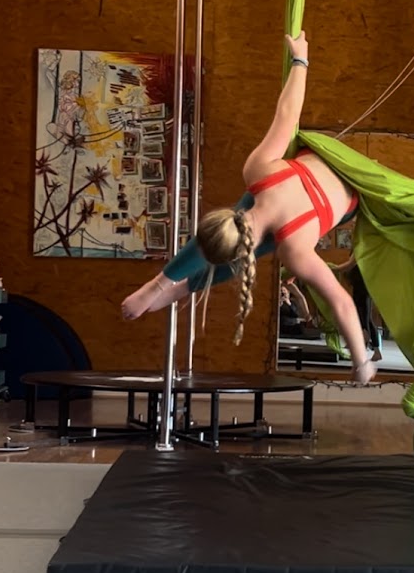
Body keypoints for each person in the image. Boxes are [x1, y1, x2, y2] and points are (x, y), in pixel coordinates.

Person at [122, 32, 378, 384]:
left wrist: (361, 362)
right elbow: (287, 113)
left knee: (256, 247)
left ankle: (167, 285)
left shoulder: (295, 249)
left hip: (341, 198)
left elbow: (341, 303)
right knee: (254, 231)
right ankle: (170, 285)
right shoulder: (258, 171)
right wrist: (301, 59)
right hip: (309, 174)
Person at [332, 254, 382, 362]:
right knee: (365, 320)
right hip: (361, 286)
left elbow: (350, 264)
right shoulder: (361, 249)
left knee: (364, 321)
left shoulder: (360, 248)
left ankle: (366, 351)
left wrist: (334, 268)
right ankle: (375, 351)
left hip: (362, 288)